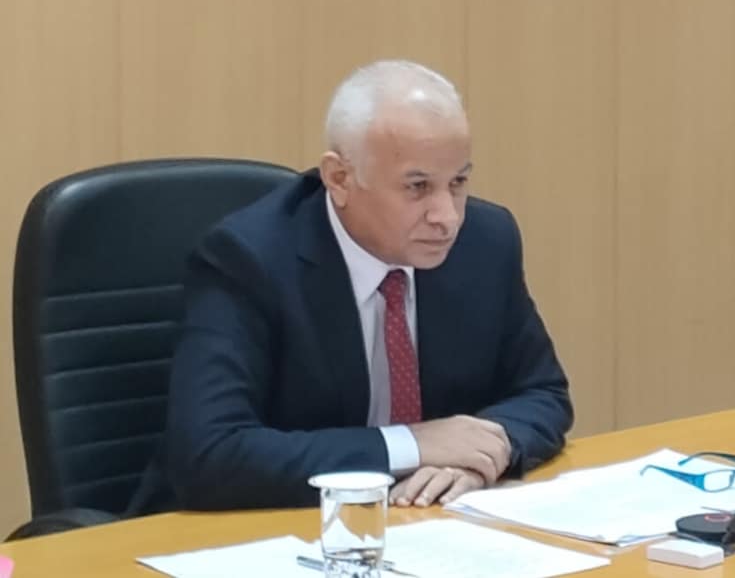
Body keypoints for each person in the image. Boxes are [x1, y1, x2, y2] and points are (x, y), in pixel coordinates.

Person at [129, 59, 573, 515]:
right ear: (340, 179)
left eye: (457, 182)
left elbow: (543, 393)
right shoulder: (248, 259)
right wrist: (410, 446)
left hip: (421, 523)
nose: (447, 216)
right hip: (255, 528)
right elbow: (210, 454)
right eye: (417, 187)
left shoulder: (485, 241)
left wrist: (480, 457)